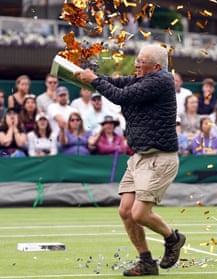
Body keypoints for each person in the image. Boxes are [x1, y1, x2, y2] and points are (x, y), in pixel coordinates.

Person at [75, 44, 186, 276]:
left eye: (141, 61)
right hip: (139, 157)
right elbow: (115, 83)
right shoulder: (141, 78)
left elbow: (119, 96)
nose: (136, 63)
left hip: (159, 158)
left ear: (156, 66)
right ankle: (146, 261)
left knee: (139, 214)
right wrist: (88, 75)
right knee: (126, 211)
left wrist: (94, 80)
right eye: (137, 59)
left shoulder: (161, 80)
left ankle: (173, 239)